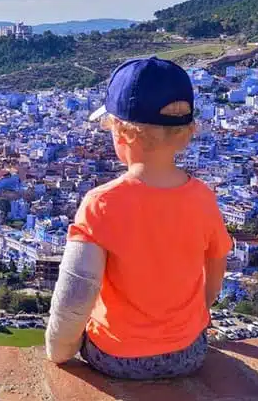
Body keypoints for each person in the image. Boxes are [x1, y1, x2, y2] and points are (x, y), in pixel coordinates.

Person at [45, 56, 231, 379]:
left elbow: (75, 297)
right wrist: (190, 321)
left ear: (122, 133)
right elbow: (215, 272)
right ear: (186, 133)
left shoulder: (101, 204)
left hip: (117, 358)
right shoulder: (203, 198)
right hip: (189, 352)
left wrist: (57, 351)